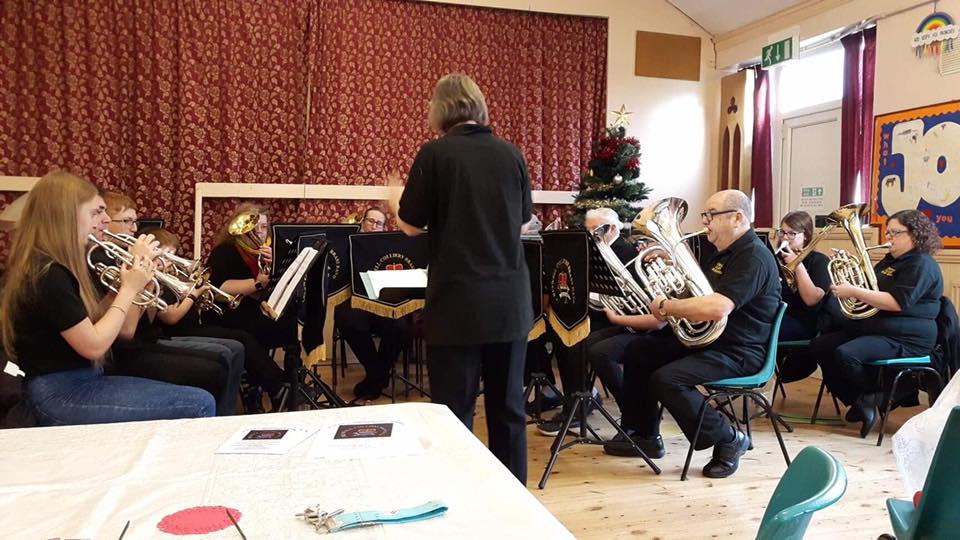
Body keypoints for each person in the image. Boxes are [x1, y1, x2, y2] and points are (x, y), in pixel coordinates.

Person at [388, 73, 533, 483]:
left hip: (458, 305)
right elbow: (523, 221)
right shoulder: (511, 154)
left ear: (440, 111)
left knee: (452, 413)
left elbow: (411, 226)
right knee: (509, 411)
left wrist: (394, 200)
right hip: (509, 303)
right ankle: (514, 505)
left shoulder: (435, 154)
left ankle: (460, 500)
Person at [0, 171, 215, 426]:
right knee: (200, 403)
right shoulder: (48, 275)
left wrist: (124, 283)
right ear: (65, 215)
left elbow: (89, 323)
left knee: (203, 390)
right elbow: (94, 346)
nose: (104, 220)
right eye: (95, 212)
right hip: (60, 393)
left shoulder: (49, 266)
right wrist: (129, 289)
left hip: (76, 381)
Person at [603, 190, 780, 479]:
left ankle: (729, 440)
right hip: (711, 340)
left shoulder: (753, 257)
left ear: (738, 218)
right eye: (704, 215)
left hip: (739, 350)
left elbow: (718, 307)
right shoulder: (723, 253)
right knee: (640, 351)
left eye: (711, 215)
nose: (705, 222)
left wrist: (667, 306)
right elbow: (698, 295)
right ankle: (646, 434)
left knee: (667, 379)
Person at [98, 193, 243, 416]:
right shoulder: (104, 260)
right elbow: (129, 330)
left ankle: (221, 418)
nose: (134, 229)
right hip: (124, 353)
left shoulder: (123, 259)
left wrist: (152, 281)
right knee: (217, 365)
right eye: (127, 221)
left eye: (135, 221)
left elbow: (149, 315)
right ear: (107, 220)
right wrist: (143, 279)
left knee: (231, 352)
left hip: (145, 341)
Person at [808, 209, 943, 438]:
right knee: (819, 346)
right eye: (888, 232)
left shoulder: (921, 264)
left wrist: (853, 290)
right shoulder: (891, 260)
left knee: (846, 354)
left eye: (894, 233)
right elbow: (871, 288)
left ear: (915, 235)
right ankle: (862, 401)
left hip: (907, 335)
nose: (888, 238)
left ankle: (880, 395)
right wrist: (848, 270)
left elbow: (896, 303)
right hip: (876, 328)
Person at [537, 208, 665, 436]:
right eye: (588, 230)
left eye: (594, 230)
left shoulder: (626, 253)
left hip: (626, 318)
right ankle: (578, 398)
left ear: (613, 228)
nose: (589, 235)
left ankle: (586, 405)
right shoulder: (596, 249)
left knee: (578, 343)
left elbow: (632, 298)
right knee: (561, 333)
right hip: (603, 314)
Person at [204, 203, 297, 409]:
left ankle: (287, 382)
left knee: (291, 323)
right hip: (229, 311)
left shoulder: (275, 248)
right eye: (253, 226)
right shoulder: (225, 251)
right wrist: (257, 282)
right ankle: (274, 385)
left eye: (263, 227)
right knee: (257, 329)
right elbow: (218, 288)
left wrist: (277, 264)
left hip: (260, 308)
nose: (258, 232)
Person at [334, 207, 408, 401]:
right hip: (356, 300)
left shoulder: (390, 246)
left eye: (379, 223)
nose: (374, 226)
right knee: (347, 320)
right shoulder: (350, 244)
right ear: (363, 222)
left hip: (384, 301)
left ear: (384, 227)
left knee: (399, 326)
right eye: (371, 221)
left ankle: (375, 378)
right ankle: (378, 374)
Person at [772, 210, 832, 383]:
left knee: (758, 330)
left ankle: (759, 382)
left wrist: (797, 264)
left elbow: (812, 299)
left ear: (806, 236)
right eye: (782, 232)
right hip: (776, 315)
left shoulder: (819, 261)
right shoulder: (775, 259)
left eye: (792, 233)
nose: (785, 237)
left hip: (803, 322)